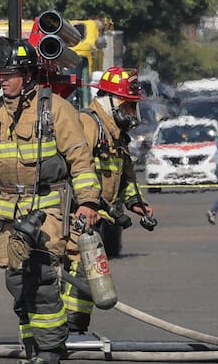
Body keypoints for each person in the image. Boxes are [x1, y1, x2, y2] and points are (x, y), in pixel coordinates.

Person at [0, 37, 102, 364]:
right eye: (1, 73)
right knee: (17, 281)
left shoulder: (55, 109)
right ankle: (32, 346)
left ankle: (51, 348)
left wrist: (87, 202)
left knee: (41, 278)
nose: (2, 79)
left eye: (9, 73)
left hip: (46, 212)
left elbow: (80, 159)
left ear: (27, 76)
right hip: (7, 217)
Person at [62, 66, 154, 335]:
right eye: (127, 107)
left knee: (88, 268)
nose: (131, 113)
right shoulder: (88, 124)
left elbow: (121, 175)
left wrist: (135, 202)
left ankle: (75, 328)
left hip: (98, 216)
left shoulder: (114, 131)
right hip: (78, 212)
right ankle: (69, 327)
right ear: (110, 100)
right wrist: (87, 203)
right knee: (80, 266)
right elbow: (76, 167)